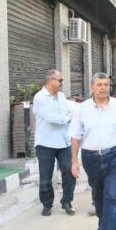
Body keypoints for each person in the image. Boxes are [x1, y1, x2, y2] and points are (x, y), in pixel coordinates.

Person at [70, 73, 116, 230]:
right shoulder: (82, 109)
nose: (103, 87)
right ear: (92, 87)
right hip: (91, 158)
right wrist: (74, 161)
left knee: (112, 195)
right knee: (98, 194)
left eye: (106, 84)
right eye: (99, 84)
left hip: (115, 156)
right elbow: (75, 136)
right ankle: (103, 223)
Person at [34, 69, 75, 217]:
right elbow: (51, 118)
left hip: (64, 142)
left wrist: (68, 116)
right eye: (60, 80)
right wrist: (68, 118)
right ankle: (47, 204)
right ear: (51, 81)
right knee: (46, 177)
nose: (62, 83)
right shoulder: (40, 97)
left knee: (69, 172)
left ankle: (67, 202)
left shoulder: (62, 96)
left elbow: (69, 111)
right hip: (45, 143)